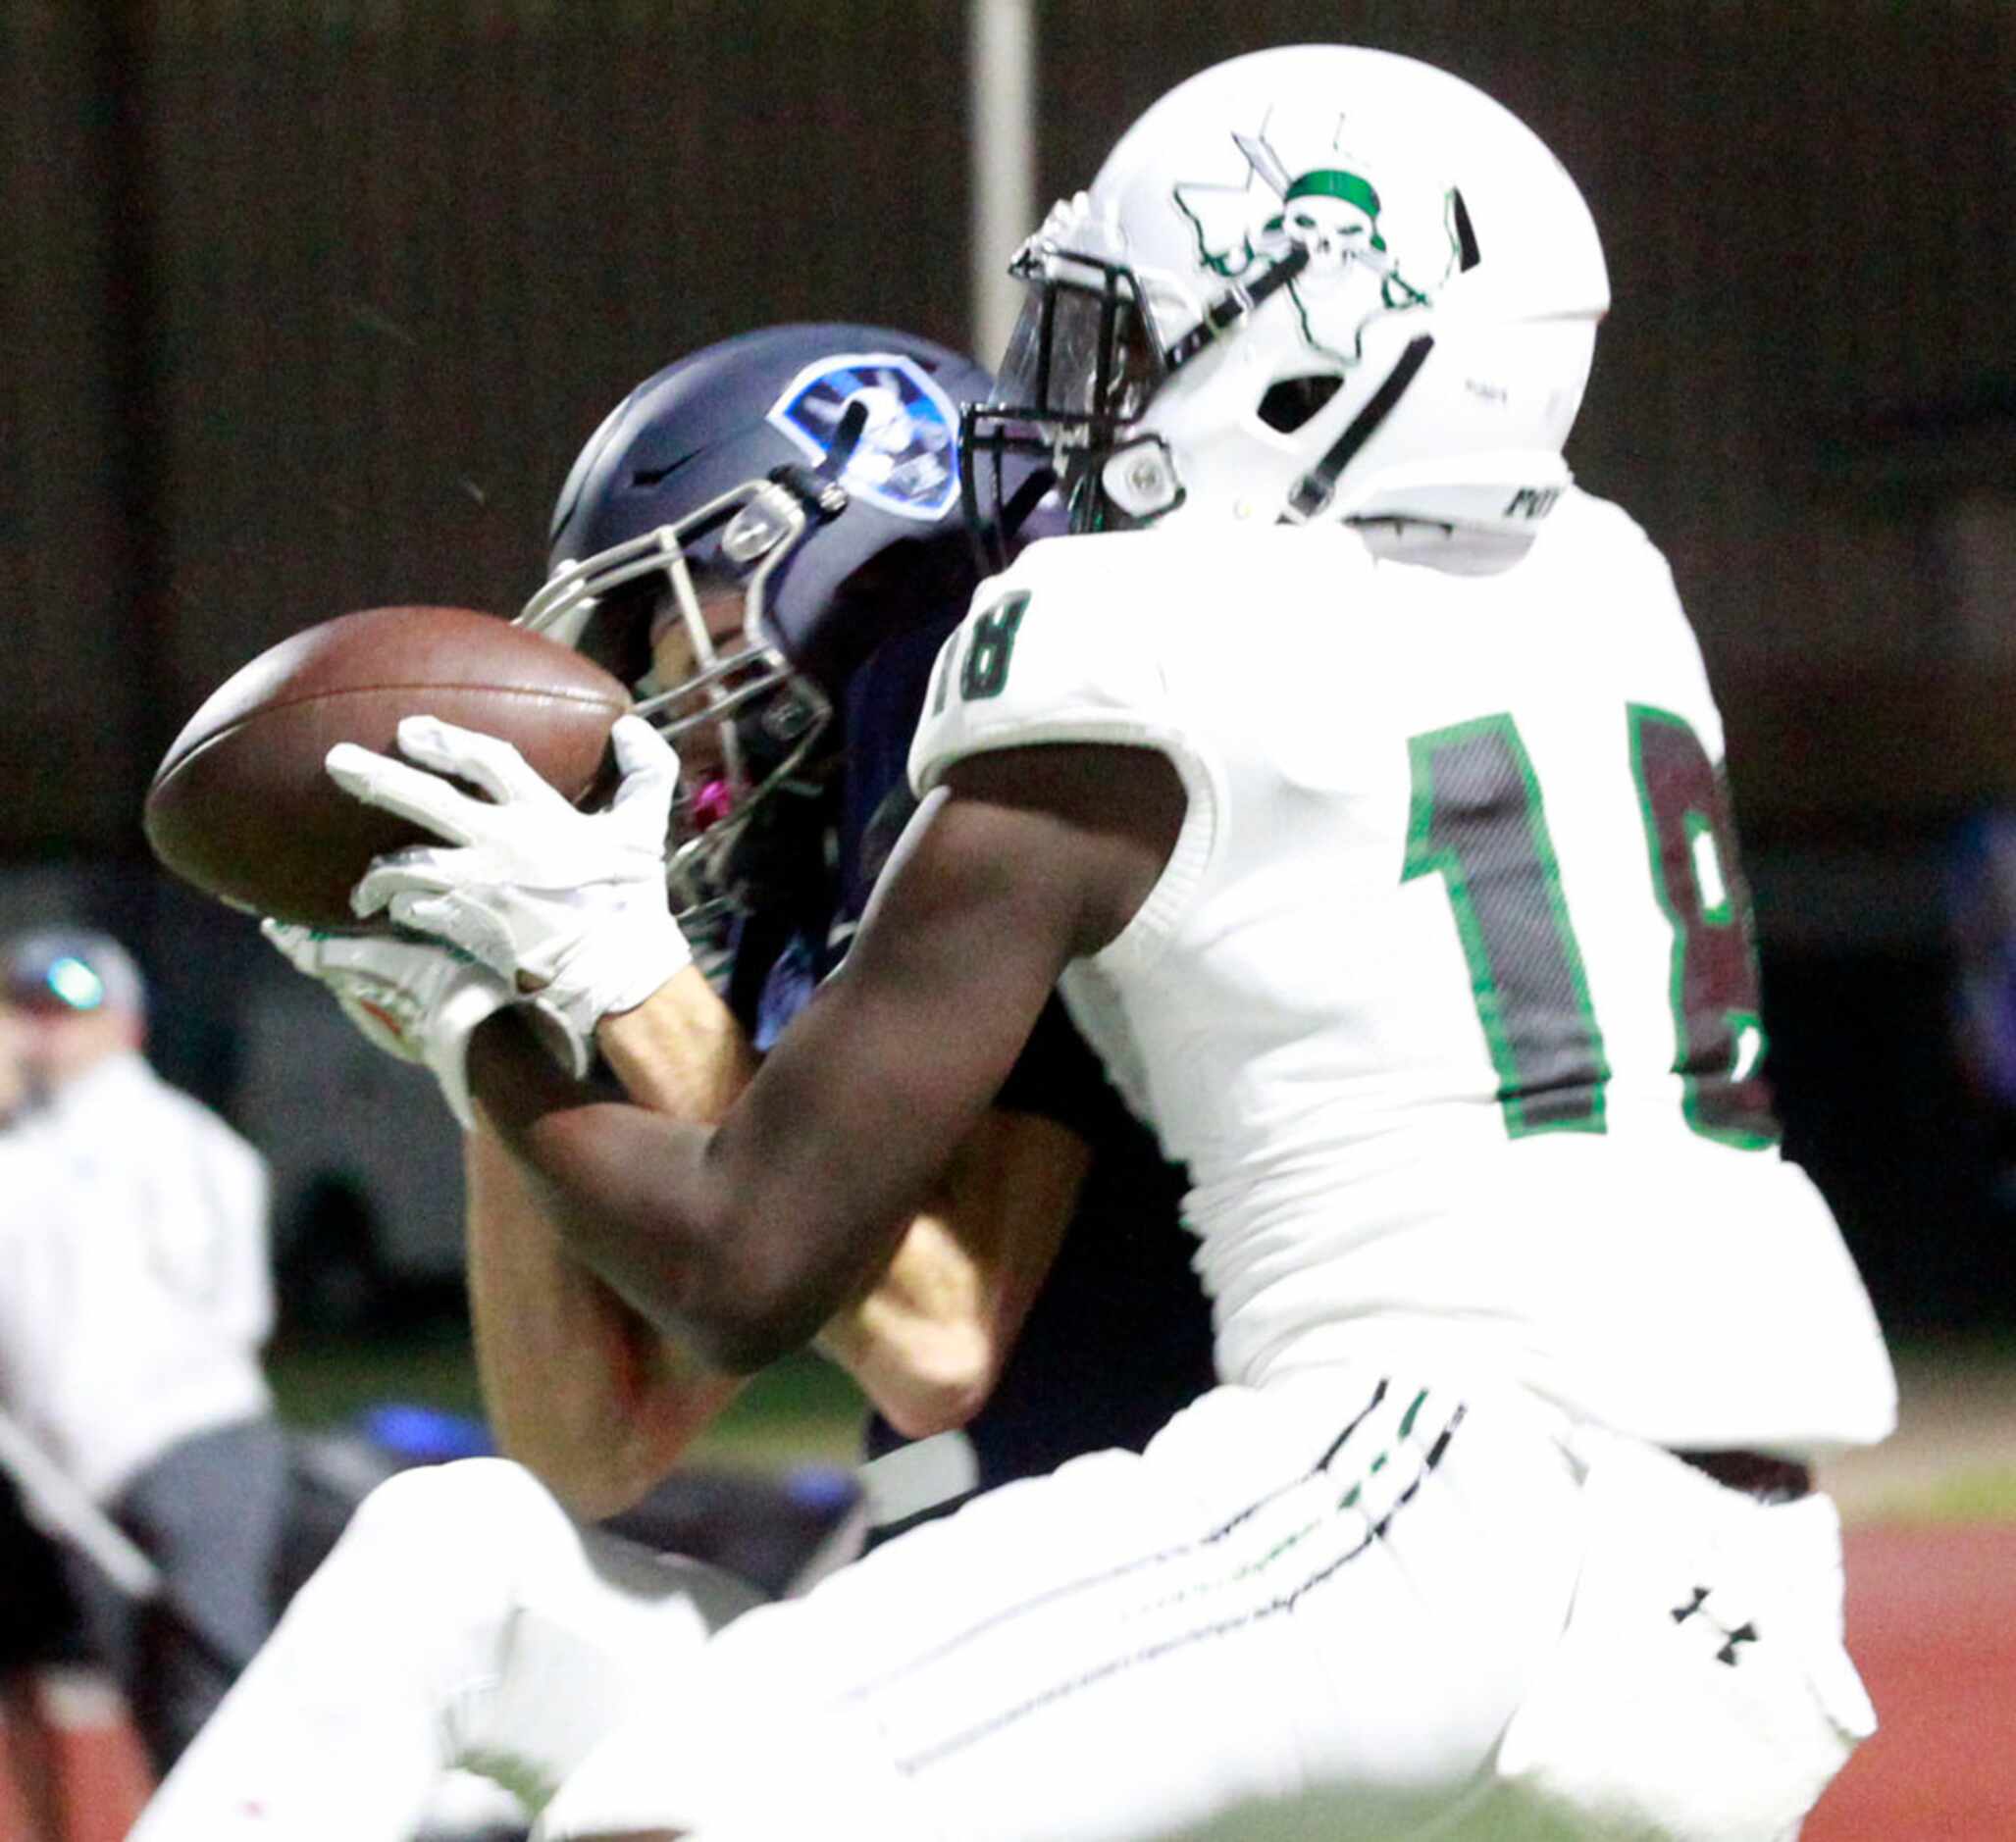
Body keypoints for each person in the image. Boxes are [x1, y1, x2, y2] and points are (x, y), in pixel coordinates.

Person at [302, 44, 1899, 1841]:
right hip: (1745, 1595)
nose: (1083, 398)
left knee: (698, 1787)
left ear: (1304, 339)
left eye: (1129, 331)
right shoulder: (1613, 586)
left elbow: (746, 1258)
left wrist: (523, 1002)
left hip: (1433, 1479)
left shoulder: (1123, 628)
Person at [130, 325, 1215, 1840]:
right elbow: (590, 1441)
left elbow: (937, 1336)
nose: (644, 693)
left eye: (660, 618)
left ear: (830, 553)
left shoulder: (1016, 827)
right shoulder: (799, 931)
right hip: (951, 1630)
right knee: (457, 1548)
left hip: (1157, 1669)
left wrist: (616, 973)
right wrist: (486, 1019)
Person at [0, 930, 288, 1783]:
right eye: (30, 1011)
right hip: (79, 1478)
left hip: (191, 1449)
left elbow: (232, 1302)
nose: (47, 1032)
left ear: (125, 1027)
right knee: (153, 1709)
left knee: (215, 1691)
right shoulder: (22, 1149)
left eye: (69, 1014)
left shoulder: (168, 1135)